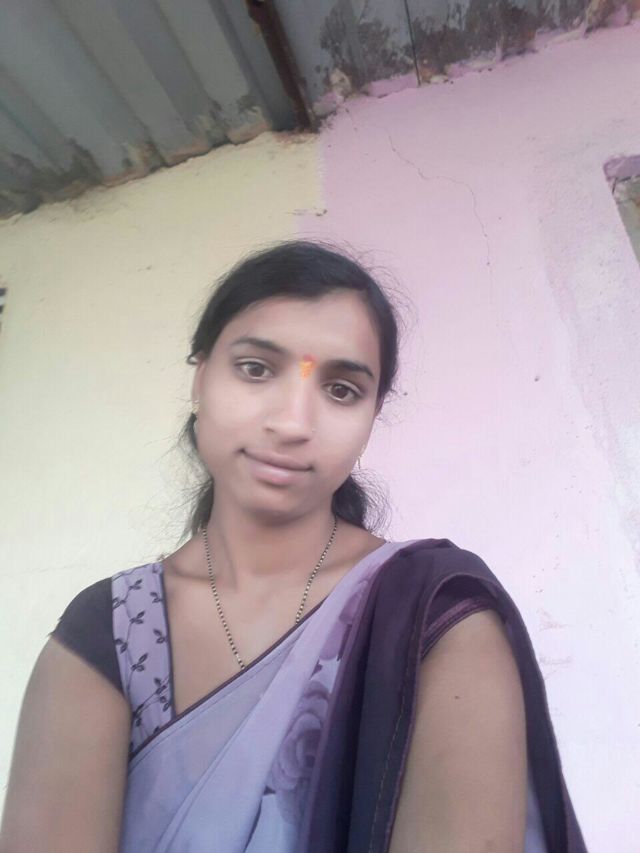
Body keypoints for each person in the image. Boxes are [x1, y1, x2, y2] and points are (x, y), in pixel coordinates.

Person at [0, 241, 587, 852]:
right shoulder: (112, 632)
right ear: (200, 377)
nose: (292, 424)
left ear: (372, 417)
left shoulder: (431, 615)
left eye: (341, 390)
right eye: (255, 369)